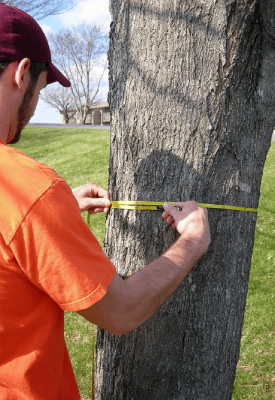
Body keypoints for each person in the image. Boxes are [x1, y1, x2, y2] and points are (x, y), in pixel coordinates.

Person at [0, 4, 211, 400]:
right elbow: (121, 310)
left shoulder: (26, 200)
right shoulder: (26, 190)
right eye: (41, 90)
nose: (32, 110)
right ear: (21, 72)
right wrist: (192, 242)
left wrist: (51, 215)